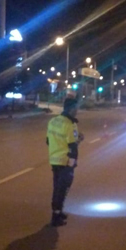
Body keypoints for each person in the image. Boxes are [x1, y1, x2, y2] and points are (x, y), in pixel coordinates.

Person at [46, 96, 84, 226]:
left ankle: (58, 211)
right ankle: (56, 216)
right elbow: (73, 147)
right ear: (71, 109)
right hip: (65, 162)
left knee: (57, 188)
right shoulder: (69, 124)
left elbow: (48, 141)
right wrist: (72, 164)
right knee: (63, 189)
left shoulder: (53, 121)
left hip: (54, 160)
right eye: (76, 108)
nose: (77, 110)